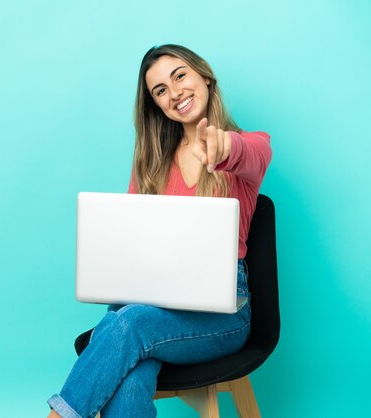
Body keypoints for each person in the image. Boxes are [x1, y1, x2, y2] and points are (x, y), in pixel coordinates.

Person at [47, 44, 272, 418]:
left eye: (180, 76)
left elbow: (245, 153)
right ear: (156, 105)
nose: (175, 92)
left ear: (205, 76)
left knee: (130, 325)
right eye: (160, 90)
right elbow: (133, 245)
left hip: (225, 314)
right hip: (151, 303)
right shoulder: (152, 162)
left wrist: (221, 146)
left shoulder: (252, 146)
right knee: (132, 372)